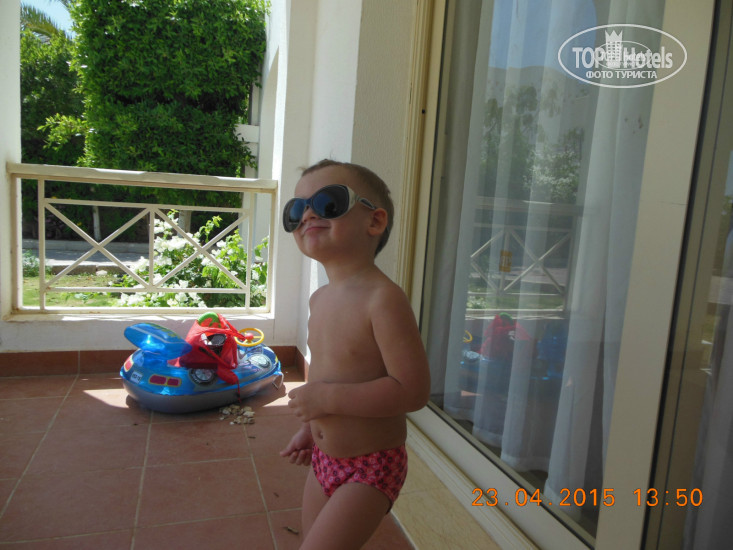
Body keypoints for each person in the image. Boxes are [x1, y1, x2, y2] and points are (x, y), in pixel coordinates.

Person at [279, 159, 430, 549]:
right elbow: (329, 374)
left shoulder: (383, 299)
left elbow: (412, 391)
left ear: (374, 222)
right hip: (324, 459)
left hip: (370, 465)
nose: (307, 214)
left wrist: (326, 399)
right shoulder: (319, 299)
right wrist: (311, 426)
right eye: (296, 210)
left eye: (327, 203)